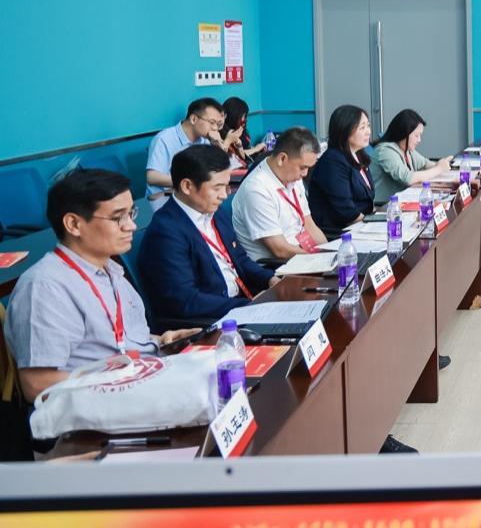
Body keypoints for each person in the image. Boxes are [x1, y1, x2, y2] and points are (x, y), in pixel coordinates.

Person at [3, 169, 200, 404]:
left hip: (145, 383)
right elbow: (37, 385)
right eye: (118, 218)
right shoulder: (45, 288)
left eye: (131, 214)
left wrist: (161, 342)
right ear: (74, 224)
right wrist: (125, 376)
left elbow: (115, 343)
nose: (131, 226)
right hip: (102, 408)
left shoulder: (110, 271)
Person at [137, 145, 278, 330]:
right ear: (187, 186)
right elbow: (186, 301)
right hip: (212, 321)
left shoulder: (215, 213)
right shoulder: (166, 233)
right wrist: (249, 306)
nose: (224, 195)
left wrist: (271, 279)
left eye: (226, 186)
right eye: (217, 188)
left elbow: (241, 260)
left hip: (241, 305)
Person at [232, 127, 328, 264]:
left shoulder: (292, 177)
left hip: (302, 257)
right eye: (303, 167)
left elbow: (309, 224)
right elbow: (280, 250)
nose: (305, 174)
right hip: (276, 265)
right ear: (282, 158)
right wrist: (320, 259)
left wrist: (330, 254)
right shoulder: (256, 190)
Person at [309, 105, 375, 238]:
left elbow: (367, 201)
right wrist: (374, 225)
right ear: (345, 130)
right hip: (341, 233)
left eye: (368, 126)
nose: (368, 132)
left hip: (360, 226)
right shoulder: (333, 161)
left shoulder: (359, 155)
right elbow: (347, 212)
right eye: (362, 127)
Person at [146, 98, 224, 209]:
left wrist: (218, 147)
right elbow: (152, 177)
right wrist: (189, 183)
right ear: (193, 119)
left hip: (191, 197)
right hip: (164, 200)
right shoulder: (164, 139)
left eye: (218, 124)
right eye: (212, 122)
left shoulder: (204, 140)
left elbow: (214, 171)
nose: (215, 128)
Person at [369, 109, 455, 205]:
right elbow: (408, 178)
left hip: (402, 202)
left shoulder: (406, 149)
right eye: (416, 135)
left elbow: (425, 164)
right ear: (404, 133)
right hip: (385, 206)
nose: (419, 140)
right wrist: (439, 169)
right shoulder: (385, 151)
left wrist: (442, 165)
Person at [219, 96, 266, 170]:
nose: (245, 120)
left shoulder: (241, 130)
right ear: (234, 116)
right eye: (244, 116)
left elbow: (242, 154)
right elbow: (232, 155)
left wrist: (242, 147)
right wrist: (255, 149)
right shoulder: (223, 134)